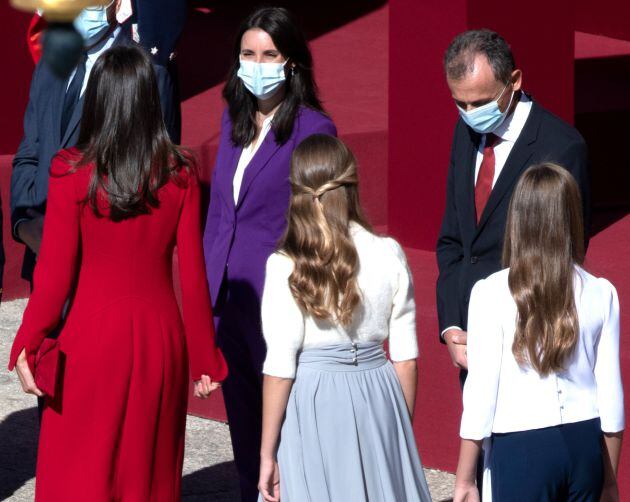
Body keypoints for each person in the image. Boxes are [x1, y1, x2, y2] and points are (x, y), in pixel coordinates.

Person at [8, 46, 227, 501]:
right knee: (147, 473)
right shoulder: (180, 173)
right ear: (149, 100)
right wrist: (206, 358)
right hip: (160, 341)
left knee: (79, 472)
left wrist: (26, 342)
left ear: (98, 100)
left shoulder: (71, 170)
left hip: (90, 340)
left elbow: (54, 277)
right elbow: (193, 277)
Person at [202, 7, 336, 500]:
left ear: (292, 63)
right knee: (242, 426)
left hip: (279, 307)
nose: (257, 65)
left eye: (269, 55)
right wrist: (205, 293)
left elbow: (321, 229)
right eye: (248, 54)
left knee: (282, 435)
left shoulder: (314, 130)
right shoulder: (233, 120)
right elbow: (219, 213)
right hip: (229, 303)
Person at [257, 134, 431, 502]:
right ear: (352, 185)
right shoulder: (389, 253)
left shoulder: (286, 265)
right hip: (379, 394)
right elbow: (406, 360)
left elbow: (279, 369)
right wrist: (396, 430)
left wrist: (266, 453)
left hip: (314, 402)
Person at [454, 163, 624, 502]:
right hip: (584, 445)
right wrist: (608, 481)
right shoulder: (601, 291)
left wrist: (464, 479)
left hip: (521, 447)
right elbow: (611, 397)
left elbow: (481, 394)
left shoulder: (490, 293)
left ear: (517, 220)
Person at [436, 30, 591, 381]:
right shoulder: (465, 134)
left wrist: (518, 334)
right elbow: (454, 241)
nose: (470, 114)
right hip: (471, 344)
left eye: (481, 103)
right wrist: (452, 326)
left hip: (529, 348)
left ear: (515, 80)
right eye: (460, 104)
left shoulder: (562, 148)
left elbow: (567, 253)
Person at [11, 0, 178, 288]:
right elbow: (29, 154)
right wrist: (26, 225)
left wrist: (78, 241)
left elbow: (156, 180)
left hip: (105, 276)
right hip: (43, 263)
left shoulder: (148, 72)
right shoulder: (51, 63)